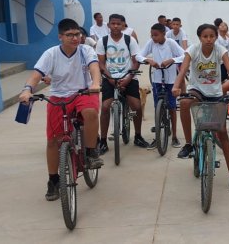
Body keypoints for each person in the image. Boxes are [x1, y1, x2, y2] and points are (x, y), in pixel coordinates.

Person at [19, 18, 103, 201]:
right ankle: (53, 180)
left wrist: (95, 83)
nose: (75, 38)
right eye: (69, 35)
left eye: (77, 34)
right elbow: (36, 75)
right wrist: (27, 90)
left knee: (90, 112)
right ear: (60, 37)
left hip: (84, 92)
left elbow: (94, 68)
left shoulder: (86, 50)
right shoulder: (51, 54)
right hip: (59, 95)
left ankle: (90, 152)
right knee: (53, 141)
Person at [171, 24, 229, 192]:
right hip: (197, 90)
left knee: (222, 134)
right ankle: (189, 144)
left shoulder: (220, 50)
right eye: (205, 36)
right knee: (184, 102)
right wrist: (176, 86)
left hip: (215, 92)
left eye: (212, 36)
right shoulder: (193, 50)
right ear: (199, 37)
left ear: (216, 37)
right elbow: (183, 70)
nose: (209, 39)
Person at [96, 14, 148, 151]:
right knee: (106, 107)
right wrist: (110, 78)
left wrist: (128, 79)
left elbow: (136, 61)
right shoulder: (103, 41)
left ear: (123, 25)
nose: (115, 26)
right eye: (113, 23)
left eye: (118, 24)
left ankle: (138, 136)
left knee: (136, 106)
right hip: (109, 78)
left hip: (128, 77)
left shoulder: (129, 40)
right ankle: (103, 141)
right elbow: (100, 63)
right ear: (108, 25)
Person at [136, 23, 185, 148]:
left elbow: (184, 55)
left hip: (171, 80)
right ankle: (158, 135)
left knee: (172, 107)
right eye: (152, 35)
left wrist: (172, 60)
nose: (153, 38)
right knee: (158, 106)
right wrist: (148, 60)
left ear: (164, 33)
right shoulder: (151, 43)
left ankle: (174, 136)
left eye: (156, 35)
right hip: (157, 79)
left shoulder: (171, 43)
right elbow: (139, 55)